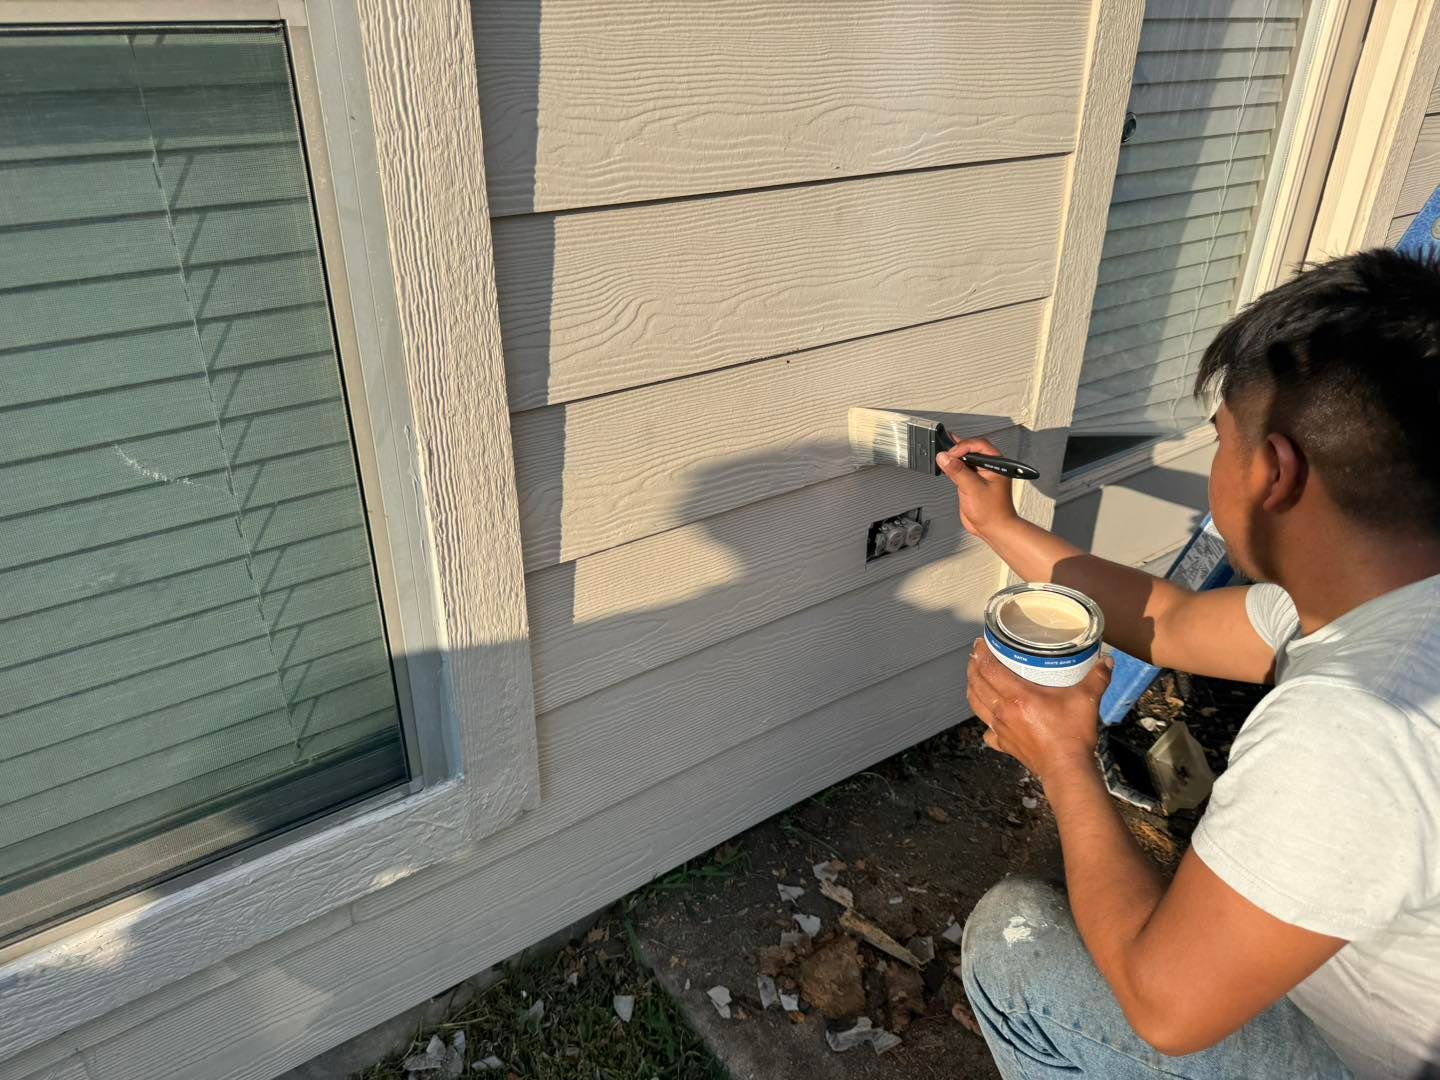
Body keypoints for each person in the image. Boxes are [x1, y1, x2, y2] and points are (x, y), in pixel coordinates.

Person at [938, 249, 1440, 1080]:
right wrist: (999, 524)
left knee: (1015, 946)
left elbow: (1165, 1006)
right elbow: (1167, 621)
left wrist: (1066, 762)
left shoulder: (1356, 723)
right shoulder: (1386, 599)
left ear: (1274, 472)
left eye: (1220, 441)